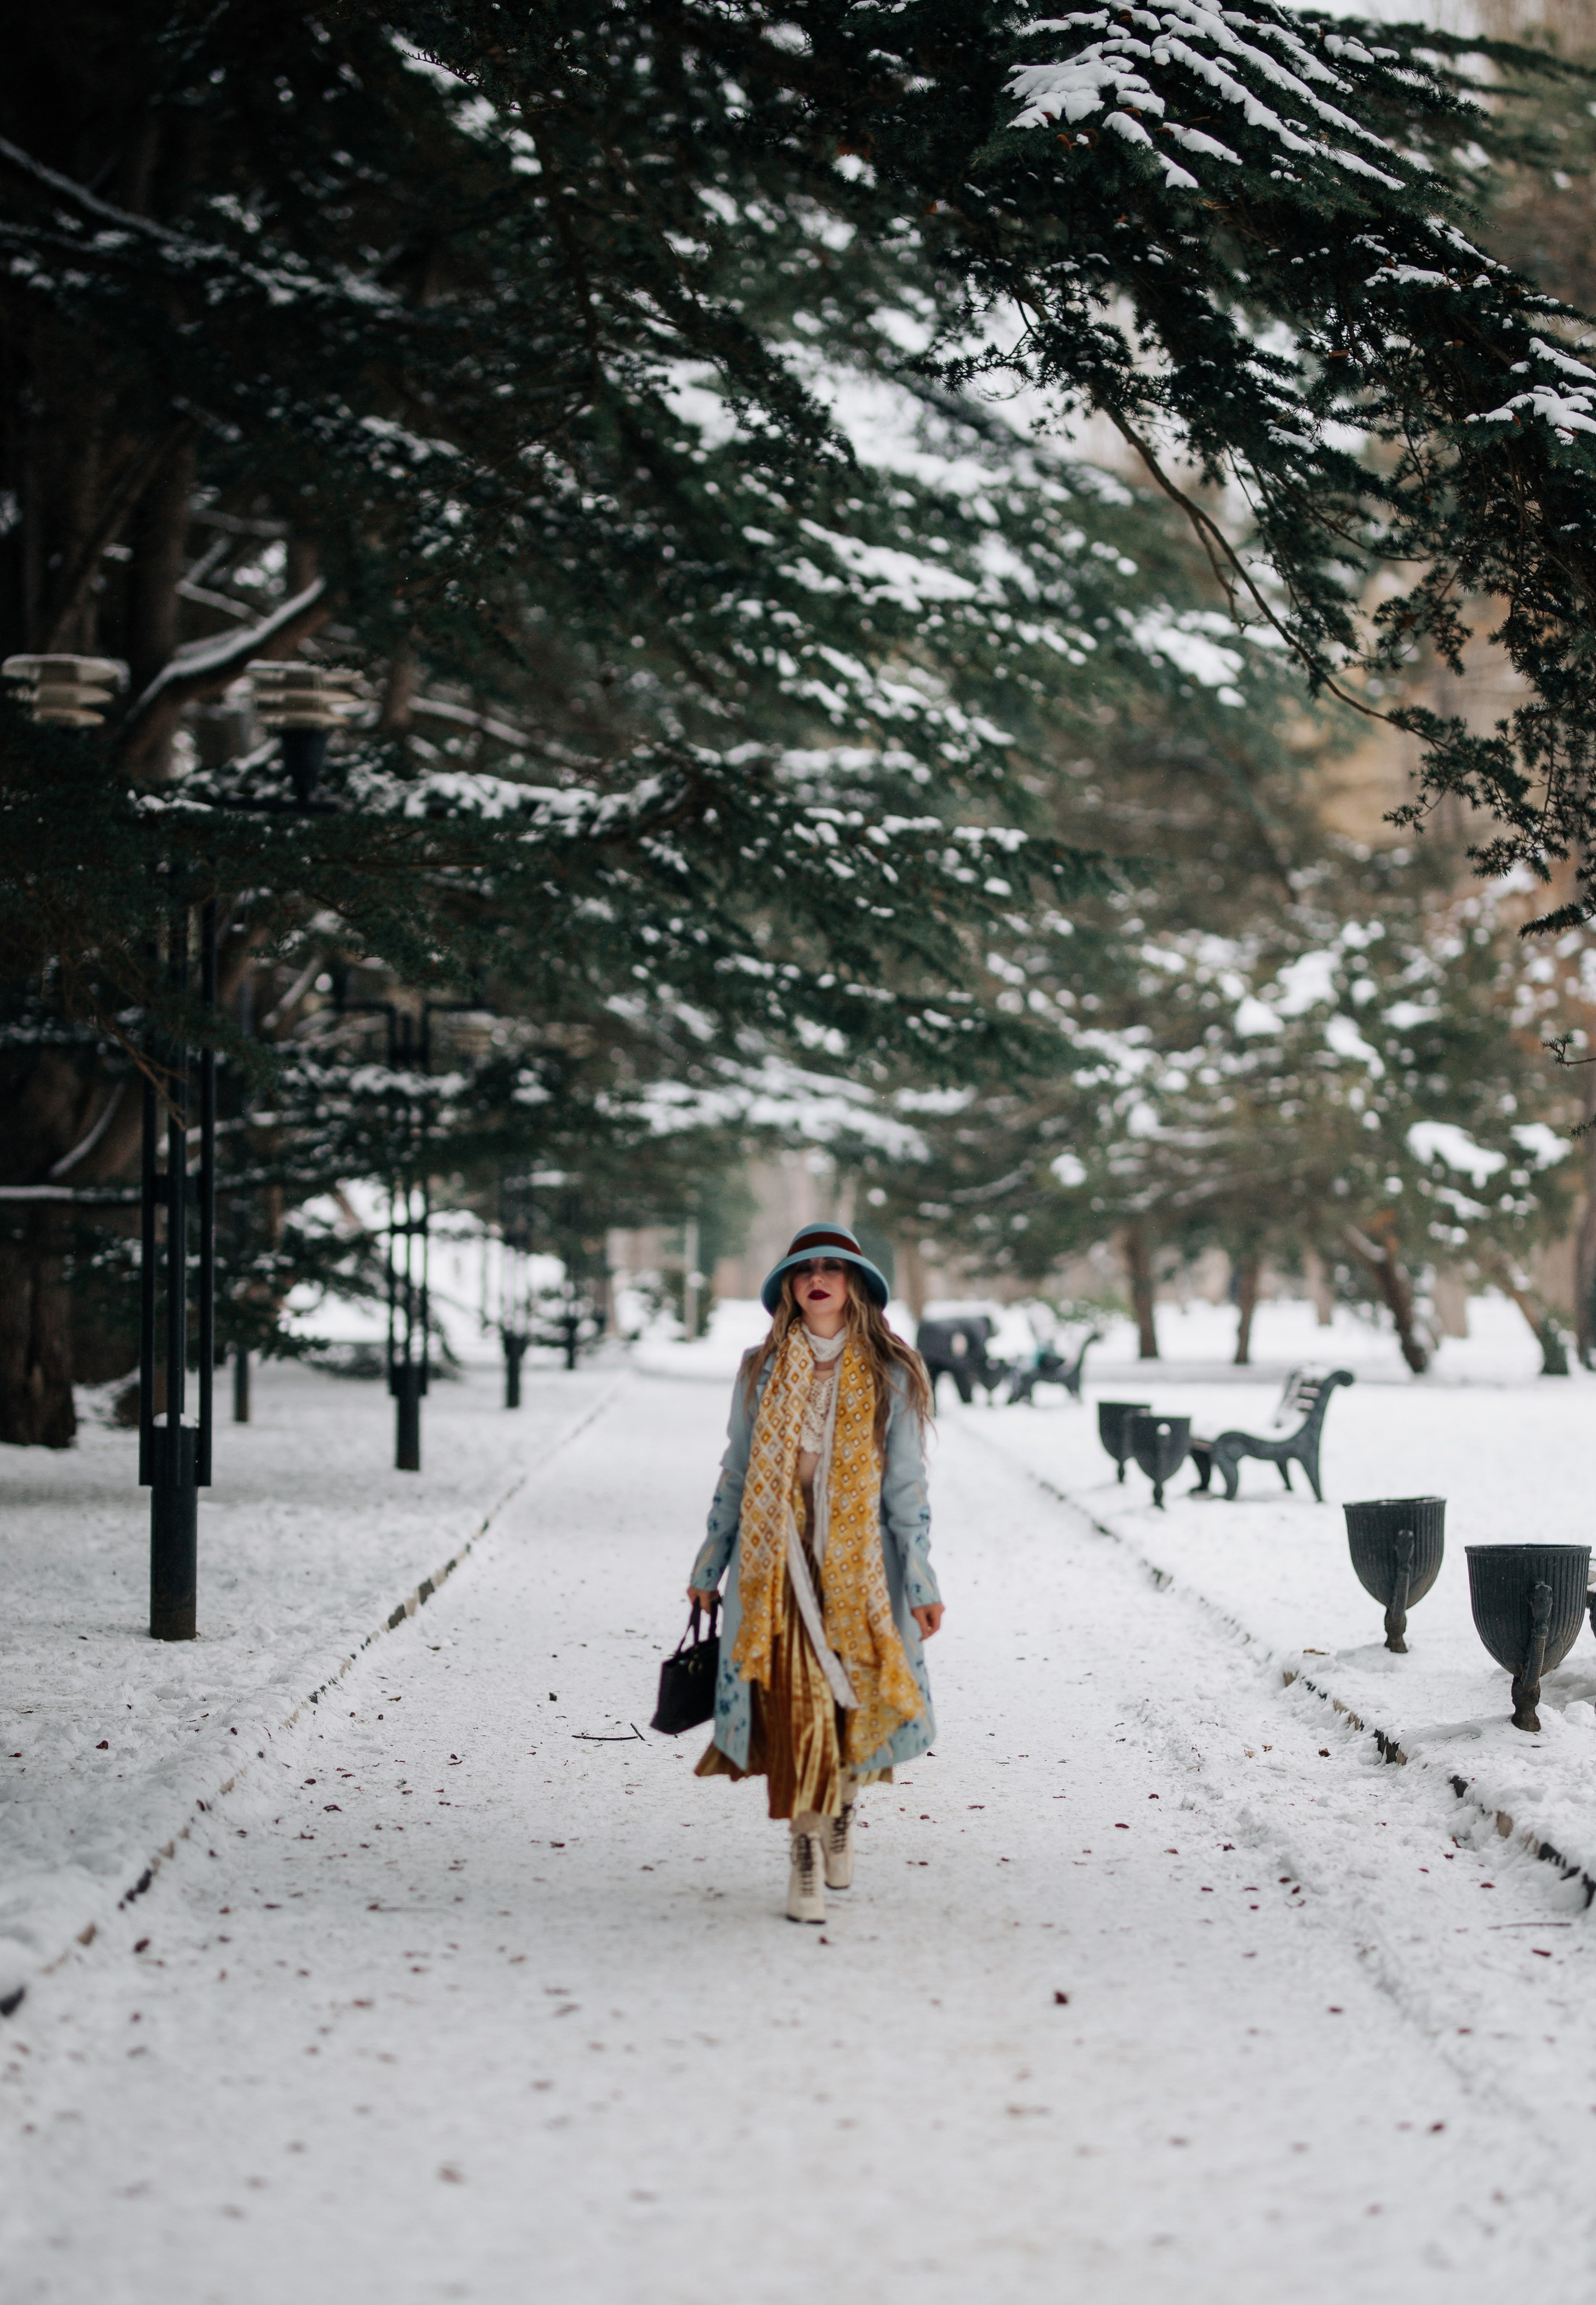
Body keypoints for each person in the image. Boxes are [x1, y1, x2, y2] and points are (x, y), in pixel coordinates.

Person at [686, 1221, 943, 1922]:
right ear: (788, 1288)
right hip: (778, 1572)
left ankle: (841, 1815)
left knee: (848, 1710)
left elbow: (908, 1492)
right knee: (799, 1712)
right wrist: (712, 1562)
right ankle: (802, 1855)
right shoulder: (759, 1368)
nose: (817, 1277)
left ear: (855, 1285)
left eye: (832, 1267)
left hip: (861, 1577)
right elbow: (738, 1473)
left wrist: (919, 1581)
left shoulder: (892, 1370)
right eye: (804, 1268)